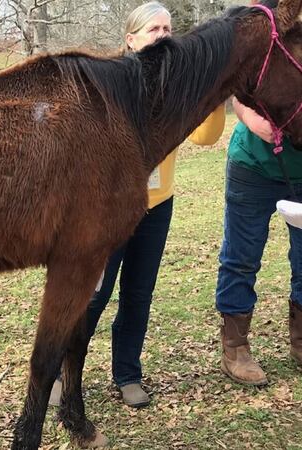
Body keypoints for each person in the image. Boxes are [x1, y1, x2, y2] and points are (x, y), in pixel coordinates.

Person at [49, 1, 226, 409]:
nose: (163, 36)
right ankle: (59, 372)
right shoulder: (108, 84)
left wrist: (213, 91)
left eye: (168, 29)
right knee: (92, 295)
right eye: (153, 30)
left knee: (138, 295)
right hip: (107, 209)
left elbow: (204, 138)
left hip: (156, 206)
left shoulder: (181, 87)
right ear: (131, 41)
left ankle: (127, 373)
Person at [216, 94, 302, 386]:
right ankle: (235, 350)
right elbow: (239, 91)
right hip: (253, 165)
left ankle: (300, 342)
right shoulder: (270, 47)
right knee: (241, 258)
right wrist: (253, 121)